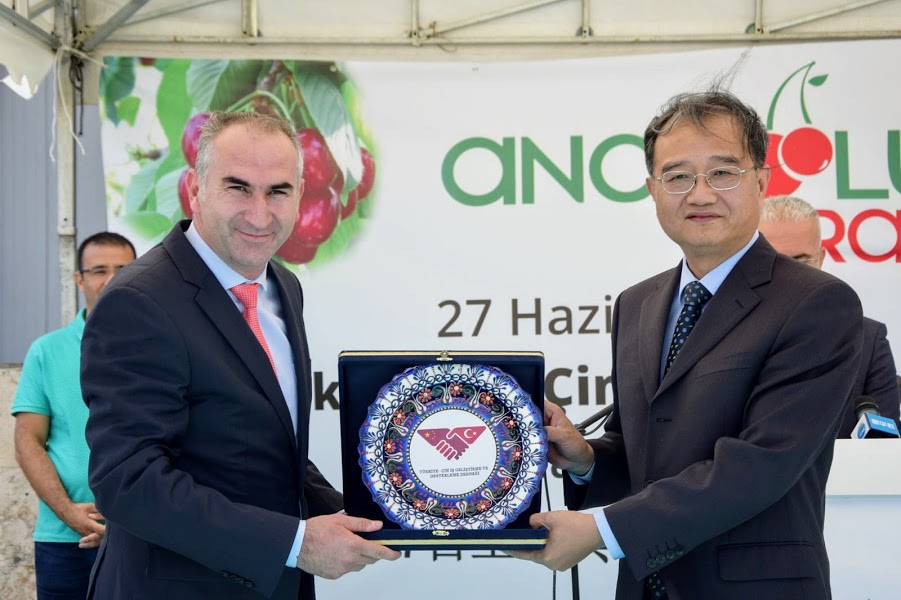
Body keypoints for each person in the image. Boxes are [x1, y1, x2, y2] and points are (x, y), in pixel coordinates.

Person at [509, 90, 864, 599]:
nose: (700, 194)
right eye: (677, 176)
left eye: (722, 173)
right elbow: (647, 454)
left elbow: (762, 464)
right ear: (653, 190)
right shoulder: (637, 304)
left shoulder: (817, 302)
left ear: (761, 180)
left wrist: (602, 530)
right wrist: (585, 457)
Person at [80, 111, 399, 600]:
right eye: (238, 188)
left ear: (300, 194)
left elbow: (270, 449)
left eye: (278, 191)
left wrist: (382, 515)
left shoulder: (283, 286)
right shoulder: (138, 300)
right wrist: (294, 543)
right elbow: (128, 480)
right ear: (195, 188)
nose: (259, 214)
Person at [12, 232, 136, 600]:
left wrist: (132, 523)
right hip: (64, 540)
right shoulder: (46, 351)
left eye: (123, 270)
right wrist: (69, 513)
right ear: (79, 279)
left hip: (142, 538)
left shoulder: (161, 347)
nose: (111, 280)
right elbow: (28, 441)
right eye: (99, 270)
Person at [759, 195, 900, 436]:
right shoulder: (723, 334)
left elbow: (883, 446)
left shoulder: (869, 339)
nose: (789, 275)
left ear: (821, 259)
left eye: (802, 262)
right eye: (776, 261)